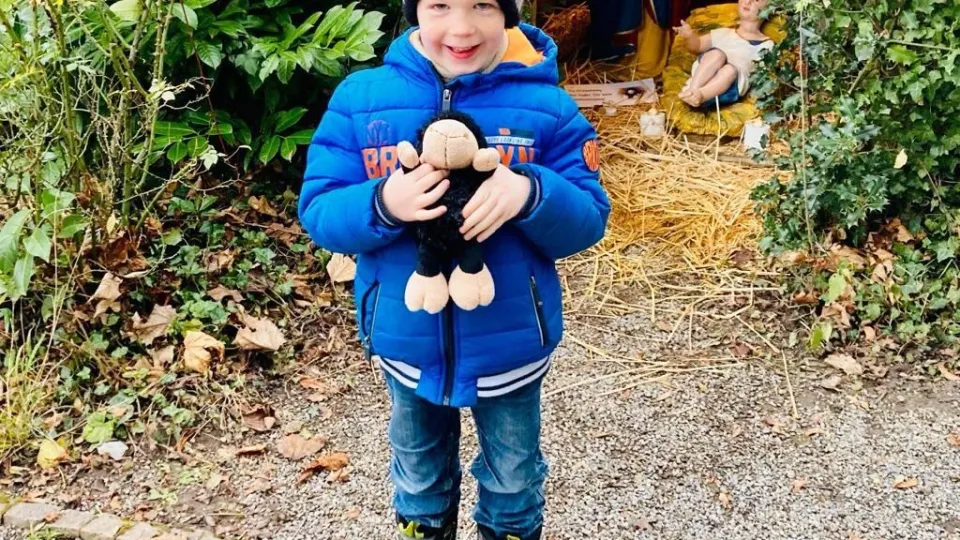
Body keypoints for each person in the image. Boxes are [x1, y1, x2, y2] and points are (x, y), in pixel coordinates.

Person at [297, 0, 610, 538]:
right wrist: (384, 202)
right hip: (407, 341)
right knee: (418, 479)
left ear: (508, 13)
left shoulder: (547, 107)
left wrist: (530, 192)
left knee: (513, 480)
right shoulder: (360, 100)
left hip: (510, 346)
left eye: (483, 5)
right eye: (439, 4)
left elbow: (588, 218)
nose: (461, 28)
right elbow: (321, 211)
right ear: (414, 9)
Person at [674, 0, 774, 108]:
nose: (748, 2)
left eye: (756, 0)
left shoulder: (767, 45)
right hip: (704, 77)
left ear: (769, 8)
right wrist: (689, 36)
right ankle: (692, 91)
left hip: (730, 87)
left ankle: (700, 95)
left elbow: (765, 75)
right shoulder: (723, 33)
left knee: (730, 70)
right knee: (717, 55)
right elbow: (697, 46)